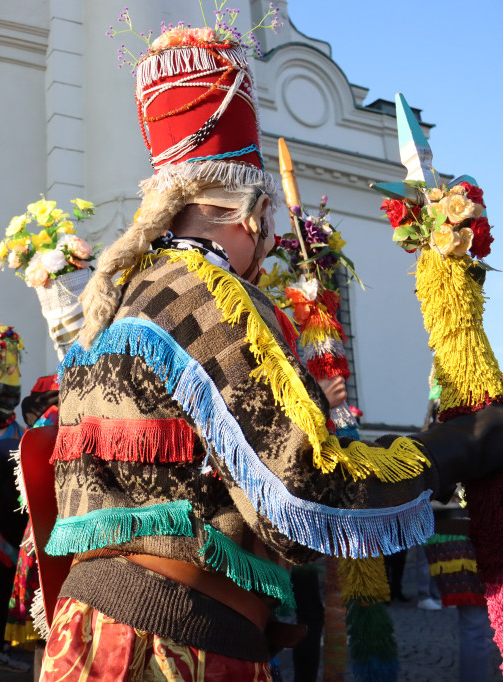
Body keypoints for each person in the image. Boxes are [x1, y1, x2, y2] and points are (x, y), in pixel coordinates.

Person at [35, 23, 503, 681]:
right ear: (253, 215)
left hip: (93, 638)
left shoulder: (114, 301)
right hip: (173, 649)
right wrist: (463, 444)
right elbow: (305, 495)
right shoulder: (210, 294)